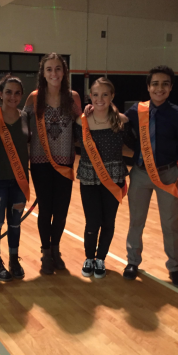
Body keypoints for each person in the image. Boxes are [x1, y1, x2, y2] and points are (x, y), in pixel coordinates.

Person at [123, 65, 178, 288]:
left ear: (171, 87)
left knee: (170, 223)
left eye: (164, 84)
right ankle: (133, 262)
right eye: (155, 84)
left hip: (169, 174)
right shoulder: (136, 110)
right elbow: (122, 128)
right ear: (148, 87)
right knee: (136, 220)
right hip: (141, 174)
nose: (159, 88)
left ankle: (174, 267)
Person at [24, 53, 82, 274]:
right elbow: (22, 126)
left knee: (62, 211)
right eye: (49, 69)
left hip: (65, 162)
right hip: (40, 162)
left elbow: (82, 123)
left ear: (64, 71)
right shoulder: (34, 98)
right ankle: (46, 252)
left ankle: (56, 249)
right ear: (43, 73)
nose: (54, 73)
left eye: (58, 68)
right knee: (46, 209)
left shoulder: (73, 97)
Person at [75, 77, 134, 278]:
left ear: (112, 96)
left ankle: (101, 258)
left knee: (109, 221)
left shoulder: (122, 121)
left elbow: (138, 146)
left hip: (114, 176)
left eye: (105, 94)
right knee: (92, 221)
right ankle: (89, 257)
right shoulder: (81, 121)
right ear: (90, 96)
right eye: (96, 94)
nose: (100, 99)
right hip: (89, 176)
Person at [0, 75, 29, 281]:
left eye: (17, 92)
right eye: (8, 92)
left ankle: (13, 258)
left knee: (15, 223)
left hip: (19, 181)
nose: (13, 96)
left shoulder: (26, 117)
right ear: (0, 94)